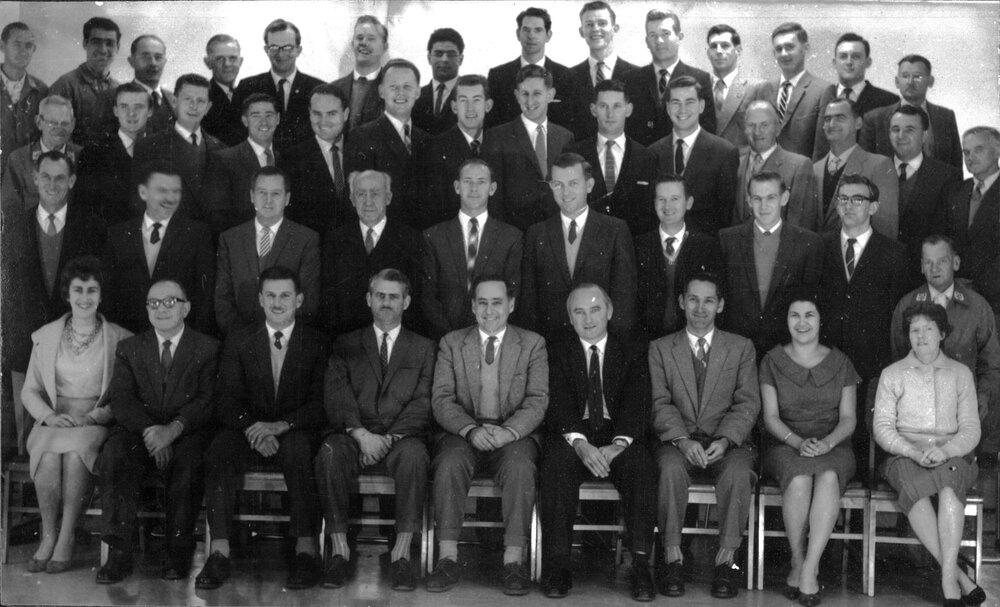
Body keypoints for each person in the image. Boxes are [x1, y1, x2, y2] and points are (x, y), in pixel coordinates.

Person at [196, 266, 327, 590]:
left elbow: (320, 403)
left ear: (299, 299)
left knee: (300, 452)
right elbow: (226, 397)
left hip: (293, 428)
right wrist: (253, 428)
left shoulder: (316, 341)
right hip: (248, 428)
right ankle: (219, 552)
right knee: (218, 452)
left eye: (285, 296)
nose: (277, 303)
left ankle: (305, 551)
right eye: (270, 295)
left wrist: (282, 425)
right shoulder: (240, 337)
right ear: (260, 299)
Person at [426, 275, 548, 596]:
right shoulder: (452, 343)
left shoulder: (532, 343)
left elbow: (537, 400)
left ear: (511, 304)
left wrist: (509, 431)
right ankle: (448, 558)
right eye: (482, 303)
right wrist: (470, 429)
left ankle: (513, 561)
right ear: (472, 306)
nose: (489, 310)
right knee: (449, 463)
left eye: (497, 302)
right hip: (464, 432)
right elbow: (442, 400)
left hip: (512, 434)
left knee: (521, 467)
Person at [315, 269, 435, 591]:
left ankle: (401, 555)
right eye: (380, 295)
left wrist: (389, 439)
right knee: (329, 453)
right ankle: (339, 552)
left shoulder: (424, 347)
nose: (386, 302)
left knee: (415, 457)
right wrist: (361, 435)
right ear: (368, 299)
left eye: (394, 297)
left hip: (401, 437)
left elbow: (424, 401)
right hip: (355, 435)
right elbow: (336, 393)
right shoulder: (346, 343)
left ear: (406, 302)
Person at [95, 279, 219, 584]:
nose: (161, 309)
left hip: (187, 431)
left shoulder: (207, 347)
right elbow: (122, 400)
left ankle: (178, 553)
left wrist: (173, 430)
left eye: (170, 302)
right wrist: (153, 433)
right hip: (141, 431)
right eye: (153, 303)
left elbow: (207, 400)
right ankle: (119, 552)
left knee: (190, 461)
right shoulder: (129, 348)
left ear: (186, 308)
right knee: (115, 453)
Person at [540, 284, 657, 602]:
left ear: (609, 311)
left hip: (617, 437)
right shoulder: (557, 350)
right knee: (555, 466)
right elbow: (558, 402)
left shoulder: (631, 349)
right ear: (570, 317)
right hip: (573, 437)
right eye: (579, 312)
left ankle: (641, 565)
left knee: (642, 466)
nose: (588, 319)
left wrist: (619, 443)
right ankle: (557, 566)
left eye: (595, 310)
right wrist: (580, 444)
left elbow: (638, 400)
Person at [649, 271, 760, 599]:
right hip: (678, 442)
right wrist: (682, 441)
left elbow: (747, 403)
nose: (700, 308)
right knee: (669, 469)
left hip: (727, 443)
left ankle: (726, 561)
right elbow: (659, 402)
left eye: (708, 301)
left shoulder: (740, 347)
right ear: (682, 302)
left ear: (720, 305)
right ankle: (672, 557)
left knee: (738, 473)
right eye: (693, 300)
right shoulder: (661, 348)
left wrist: (725, 440)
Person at [19, 256, 132, 573]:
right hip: (53, 421)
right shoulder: (45, 336)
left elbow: (124, 397)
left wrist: (93, 417)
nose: (85, 298)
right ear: (67, 294)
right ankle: (48, 535)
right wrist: (48, 416)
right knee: (49, 455)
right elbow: (29, 391)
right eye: (78, 290)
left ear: (101, 294)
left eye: (92, 290)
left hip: (92, 422)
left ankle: (67, 536)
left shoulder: (120, 338)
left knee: (73, 455)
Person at [873, 302, 986, 607]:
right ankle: (957, 577)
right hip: (904, 455)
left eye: (928, 329)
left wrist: (946, 450)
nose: (921, 336)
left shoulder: (960, 374)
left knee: (950, 487)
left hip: (952, 455)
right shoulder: (893, 374)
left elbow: (971, 429)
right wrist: (911, 450)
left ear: (942, 334)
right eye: (914, 330)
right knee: (914, 488)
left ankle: (948, 578)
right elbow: (882, 428)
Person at [760, 292, 859, 606]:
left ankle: (810, 569)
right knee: (800, 477)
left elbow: (849, 418)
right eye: (795, 315)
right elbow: (770, 417)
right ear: (786, 320)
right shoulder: (772, 360)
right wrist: (798, 442)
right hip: (786, 444)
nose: (801, 323)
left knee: (828, 476)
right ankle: (798, 559)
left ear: (821, 320)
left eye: (809, 315)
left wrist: (827, 443)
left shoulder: (841, 362)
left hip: (834, 444)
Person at [1, 151, 106, 422]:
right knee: (27, 433)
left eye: (60, 178)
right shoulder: (12, 228)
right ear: (35, 178)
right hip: (24, 340)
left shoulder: (92, 227)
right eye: (45, 177)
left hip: (72, 348)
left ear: (71, 181)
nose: (52, 184)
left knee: (66, 427)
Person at [819, 174, 909, 479]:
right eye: (843, 199)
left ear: (873, 207)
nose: (848, 206)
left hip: (872, 366)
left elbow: (897, 318)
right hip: (826, 363)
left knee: (862, 448)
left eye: (857, 199)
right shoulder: (819, 246)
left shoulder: (894, 253)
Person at [891, 236, 1000, 454]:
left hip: (964, 411)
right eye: (928, 262)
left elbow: (991, 365)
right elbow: (898, 362)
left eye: (942, 261)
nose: (935, 268)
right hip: (918, 415)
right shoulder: (906, 306)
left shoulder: (978, 307)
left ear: (956, 263)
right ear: (921, 266)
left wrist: (983, 397)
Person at [520, 153, 637, 343]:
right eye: (558, 184)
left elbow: (624, 298)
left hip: (600, 343)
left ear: (589, 185)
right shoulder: (537, 233)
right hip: (551, 343)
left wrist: (614, 347)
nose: (565, 192)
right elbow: (529, 301)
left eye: (573, 183)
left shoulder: (615, 230)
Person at [102, 161, 215, 335]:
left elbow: (204, 299)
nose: (170, 198)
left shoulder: (198, 234)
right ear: (143, 192)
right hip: (127, 338)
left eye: (176, 191)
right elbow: (108, 295)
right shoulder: (117, 235)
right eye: (162, 190)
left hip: (178, 339)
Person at [720, 172, 823, 356]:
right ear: (748, 200)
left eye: (771, 198)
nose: (764, 206)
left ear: (784, 198)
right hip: (737, 345)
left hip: (786, 346)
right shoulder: (728, 240)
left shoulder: (808, 242)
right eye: (757, 198)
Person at [420, 158, 523, 341]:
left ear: (492, 188)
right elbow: (427, 297)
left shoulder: (511, 237)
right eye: (467, 181)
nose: (474, 188)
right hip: (444, 338)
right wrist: (451, 338)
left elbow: (512, 294)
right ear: (457, 187)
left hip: (492, 337)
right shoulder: (433, 236)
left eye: (481, 182)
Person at [215, 166, 319, 335]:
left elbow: (308, 300)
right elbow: (222, 299)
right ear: (252, 196)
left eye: (276, 194)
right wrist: (241, 338)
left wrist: (276, 335)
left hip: (285, 338)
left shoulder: (306, 239)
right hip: (240, 339)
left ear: (287, 199)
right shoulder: (230, 239)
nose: (268, 201)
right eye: (262, 193)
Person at [321, 169, 422, 336]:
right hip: (346, 339)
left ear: (388, 198)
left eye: (375, 194)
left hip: (393, 337)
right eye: (361, 194)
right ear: (352, 199)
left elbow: (415, 300)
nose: (368, 201)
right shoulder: (335, 240)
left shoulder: (410, 239)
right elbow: (329, 302)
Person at [481, 64, 574, 231]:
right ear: (517, 96)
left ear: (550, 95)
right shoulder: (497, 137)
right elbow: (493, 197)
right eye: (525, 94)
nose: (530, 101)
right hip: (514, 231)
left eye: (537, 93)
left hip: (557, 230)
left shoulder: (564, 137)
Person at [566, 78, 658, 236]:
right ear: (593, 109)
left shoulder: (647, 157)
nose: (610, 114)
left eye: (617, 106)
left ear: (628, 109)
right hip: (587, 242)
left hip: (632, 243)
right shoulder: (574, 154)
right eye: (603, 106)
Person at [635, 174, 722, 340]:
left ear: (689, 203)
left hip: (691, 338)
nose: (667, 206)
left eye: (675, 199)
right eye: (661, 199)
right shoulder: (638, 245)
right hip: (647, 338)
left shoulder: (707, 246)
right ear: (654, 203)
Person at [648, 76, 738, 237]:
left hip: (706, 246)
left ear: (701, 106)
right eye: (676, 102)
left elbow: (726, 216)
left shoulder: (724, 153)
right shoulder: (652, 153)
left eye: (689, 102)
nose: (682, 109)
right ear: (667, 108)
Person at [345, 58, 429, 228]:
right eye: (393, 87)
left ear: (418, 92)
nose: (400, 93)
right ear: (381, 91)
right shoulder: (362, 136)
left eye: (407, 87)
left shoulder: (427, 140)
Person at [132, 73, 224, 220]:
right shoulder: (148, 147)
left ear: (208, 107)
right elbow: (139, 203)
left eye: (200, 101)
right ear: (174, 101)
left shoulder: (222, 149)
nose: (194, 106)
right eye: (188, 99)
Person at [623, 9, 715, 147]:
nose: (659, 41)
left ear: (679, 36)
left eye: (666, 34)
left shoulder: (700, 79)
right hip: (640, 157)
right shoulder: (631, 80)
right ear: (647, 41)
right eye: (653, 35)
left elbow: (708, 131)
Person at [233, 19, 323, 153]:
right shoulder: (247, 87)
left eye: (288, 47)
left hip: (304, 163)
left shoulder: (317, 88)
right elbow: (236, 133)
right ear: (266, 50)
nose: (281, 54)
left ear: (298, 50)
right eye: (274, 47)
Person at [485, 7, 580, 134]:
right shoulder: (498, 76)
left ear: (548, 35)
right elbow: (492, 124)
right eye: (526, 30)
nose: (531, 36)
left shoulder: (567, 77)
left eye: (538, 30)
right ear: (518, 34)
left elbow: (573, 124)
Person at [890, 106, 962, 271]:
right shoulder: (875, 169)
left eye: (909, 129)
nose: (901, 135)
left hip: (924, 272)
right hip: (880, 272)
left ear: (924, 135)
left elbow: (951, 234)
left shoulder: (948, 176)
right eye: (895, 129)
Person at [814, 98, 898, 239]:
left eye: (840, 117)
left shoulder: (879, 165)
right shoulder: (813, 169)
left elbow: (886, 229)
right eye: (827, 119)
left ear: (858, 123)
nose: (832, 124)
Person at [860, 55, 962, 170]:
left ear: (930, 81)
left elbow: (956, 166)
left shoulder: (945, 117)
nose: (910, 82)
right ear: (897, 82)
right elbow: (864, 165)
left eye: (917, 76)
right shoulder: (875, 119)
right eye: (905, 76)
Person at [812, 33, 899, 160]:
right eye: (843, 56)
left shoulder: (888, 101)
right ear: (834, 63)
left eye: (856, 56)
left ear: (868, 62)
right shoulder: (821, 97)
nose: (849, 62)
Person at [944, 127, 1000, 324]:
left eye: (978, 150)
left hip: (995, 300)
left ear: (998, 150)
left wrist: (977, 288)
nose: (970, 157)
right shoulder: (955, 191)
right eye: (966, 152)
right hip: (956, 297)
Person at [76, 82, 152, 225]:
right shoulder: (93, 154)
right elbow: (85, 211)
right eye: (124, 107)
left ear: (150, 111)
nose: (131, 113)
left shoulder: (162, 151)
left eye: (138, 107)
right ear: (115, 111)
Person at [736, 100, 819, 230]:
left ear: (778, 129)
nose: (757, 132)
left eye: (764, 125)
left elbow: (800, 226)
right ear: (744, 129)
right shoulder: (734, 163)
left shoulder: (799, 166)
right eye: (751, 125)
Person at [206, 92, 281, 234]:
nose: (264, 122)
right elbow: (218, 217)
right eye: (256, 116)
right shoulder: (224, 160)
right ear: (245, 120)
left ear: (278, 119)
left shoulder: (286, 159)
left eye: (269, 115)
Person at [282, 83, 351, 238]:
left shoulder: (362, 149)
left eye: (331, 113)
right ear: (309, 113)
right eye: (317, 114)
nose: (323, 121)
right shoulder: (292, 158)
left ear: (345, 114)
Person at [424, 74, 493, 226]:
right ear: (454, 107)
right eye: (463, 101)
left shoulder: (498, 142)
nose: (470, 108)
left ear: (488, 105)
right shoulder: (436, 148)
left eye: (476, 100)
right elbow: (434, 207)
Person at [569, 1, 638, 141]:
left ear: (615, 28)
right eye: (589, 24)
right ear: (581, 32)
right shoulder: (569, 77)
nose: (595, 29)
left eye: (602, 23)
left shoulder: (638, 76)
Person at [1, 94, 81, 213]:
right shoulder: (18, 159)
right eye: (52, 123)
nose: (59, 129)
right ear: (39, 122)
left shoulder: (83, 157)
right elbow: (9, 208)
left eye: (65, 124)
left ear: (73, 124)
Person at [48, 17, 121, 147]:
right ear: (85, 44)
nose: (103, 49)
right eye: (96, 42)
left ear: (118, 48)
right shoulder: (66, 85)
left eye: (110, 43)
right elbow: (55, 137)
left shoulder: (119, 90)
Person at [768, 23, 831, 158]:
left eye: (789, 47)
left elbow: (821, 150)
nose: (784, 54)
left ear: (805, 48)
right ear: (774, 53)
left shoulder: (823, 91)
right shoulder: (765, 90)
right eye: (779, 49)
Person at [705, 24, 771, 150]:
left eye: (725, 46)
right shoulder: (700, 88)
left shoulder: (756, 88)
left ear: (738, 50)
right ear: (708, 53)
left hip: (742, 161)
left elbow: (766, 138)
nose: (718, 51)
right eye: (713, 46)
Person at [95, 35, 173, 139]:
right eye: (145, 57)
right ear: (131, 61)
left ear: (165, 62)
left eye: (158, 57)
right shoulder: (110, 98)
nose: (153, 63)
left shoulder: (174, 100)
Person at [1, 21, 48, 172]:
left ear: (34, 49)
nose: (23, 51)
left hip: (26, 176)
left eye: (28, 46)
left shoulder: (41, 91)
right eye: (17, 44)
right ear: (2, 46)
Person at [331, 15, 388, 131]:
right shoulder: (333, 89)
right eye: (359, 38)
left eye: (371, 39)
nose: (364, 43)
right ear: (352, 44)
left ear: (385, 47)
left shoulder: (393, 89)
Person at [412, 28, 463, 136]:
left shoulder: (471, 95)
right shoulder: (415, 96)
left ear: (461, 59)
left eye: (451, 54)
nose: (444, 59)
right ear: (429, 58)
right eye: (438, 54)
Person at [201, 34, 245, 147]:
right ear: (208, 63)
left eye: (232, 58)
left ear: (240, 61)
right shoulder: (202, 98)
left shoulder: (248, 94)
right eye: (220, 59)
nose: (227, 64)